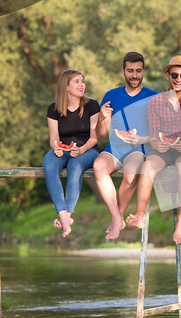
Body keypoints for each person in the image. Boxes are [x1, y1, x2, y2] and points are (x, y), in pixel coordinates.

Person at [134, 55, 181, 244]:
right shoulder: (156, 102)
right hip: (164, 149)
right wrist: (159, 144)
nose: (178, 79)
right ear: (167, 75)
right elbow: (154, 136)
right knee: (148, 166)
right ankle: (139, 215)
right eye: (174, 74)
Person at [93, 52, 158, 240]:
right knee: (98, 166)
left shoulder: (153, 96)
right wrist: (101, 118)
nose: (135, 75)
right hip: (115, 147)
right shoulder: (111, 95)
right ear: (123, 71)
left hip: (139, 148)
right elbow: (101, 134)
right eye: (130, 71)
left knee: (130, 174)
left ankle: (118, 217)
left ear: (143, 71)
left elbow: (157, 134)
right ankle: (116, 217)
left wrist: (141, 139)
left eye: (138, 71)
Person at [43, 69, 100, 237]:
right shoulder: (53, 109)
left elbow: (94, 138)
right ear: (66, 86)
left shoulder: (92, 105)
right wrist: (56, 148)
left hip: (87, 149)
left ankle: (67, 216)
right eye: (77, 81)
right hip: (64, 150)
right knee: (48, 164)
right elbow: (54, 137)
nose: (81, 85)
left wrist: (81, 149)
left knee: (75, 166)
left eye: (82, 81)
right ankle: (62, 214)